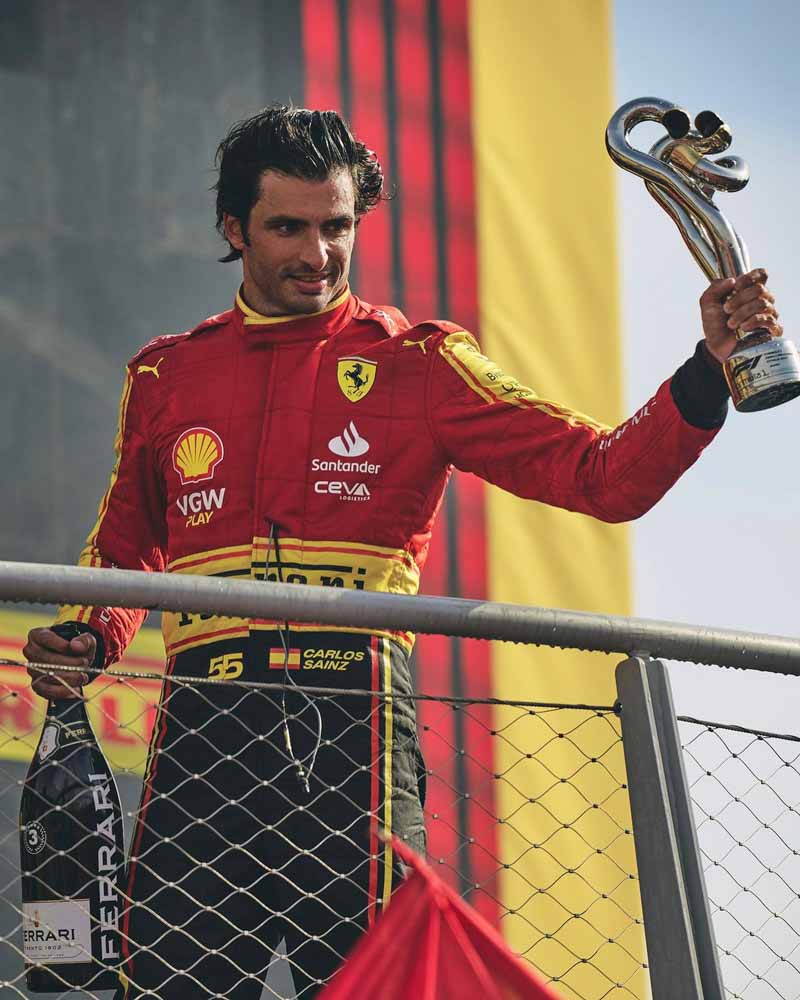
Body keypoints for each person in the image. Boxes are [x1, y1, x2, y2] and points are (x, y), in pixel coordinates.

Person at [25, 106, 782, 999]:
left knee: (382, 988)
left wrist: (706, 369)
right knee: (166, 989)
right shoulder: (166, 373)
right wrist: (85, 634)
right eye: (288, 228)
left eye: (337, 226)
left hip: (357, 727)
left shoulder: (425, 362)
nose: (318, 254)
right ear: (234, 229)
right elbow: (123, 549)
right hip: (203, 729)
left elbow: (603, 477)